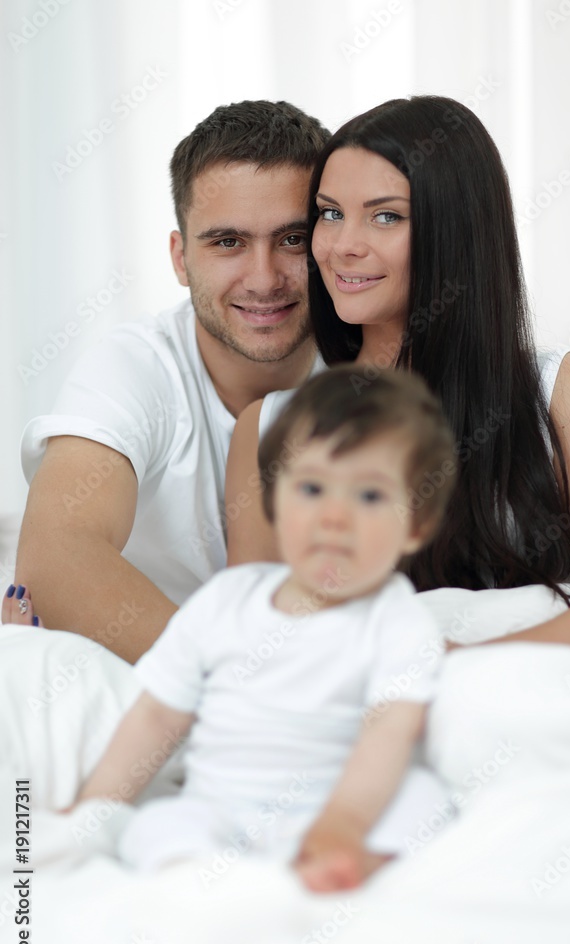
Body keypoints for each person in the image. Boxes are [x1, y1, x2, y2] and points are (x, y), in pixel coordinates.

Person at [226, 95, 570, 660]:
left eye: (385, 215)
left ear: (456, 232)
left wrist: (460, 665)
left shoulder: (563, 392)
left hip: (534, 708)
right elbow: (264, 643)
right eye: (330, 213)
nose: (342, 246)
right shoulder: (270, 428)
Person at [73, 366, 455, 891]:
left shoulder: (396, 618)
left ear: (416, 524)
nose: (334, 518)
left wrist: (342, 822)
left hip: (337, 813)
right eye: (313, 488)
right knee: (156, 827)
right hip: (221, 809)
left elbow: (390, 730)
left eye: (368, 496)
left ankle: (342, 869)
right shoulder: (225, 604)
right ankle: (208, 881)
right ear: (275, 500)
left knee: (425, 803)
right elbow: (157, 713)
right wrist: (94, 808)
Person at [3, 100, 330, 663]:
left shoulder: (371, 366)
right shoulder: (135, 365)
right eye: (227, 242)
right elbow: (55, 558)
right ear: (180, 259)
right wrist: (235, 690)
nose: (264, 278)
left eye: (292, 240)